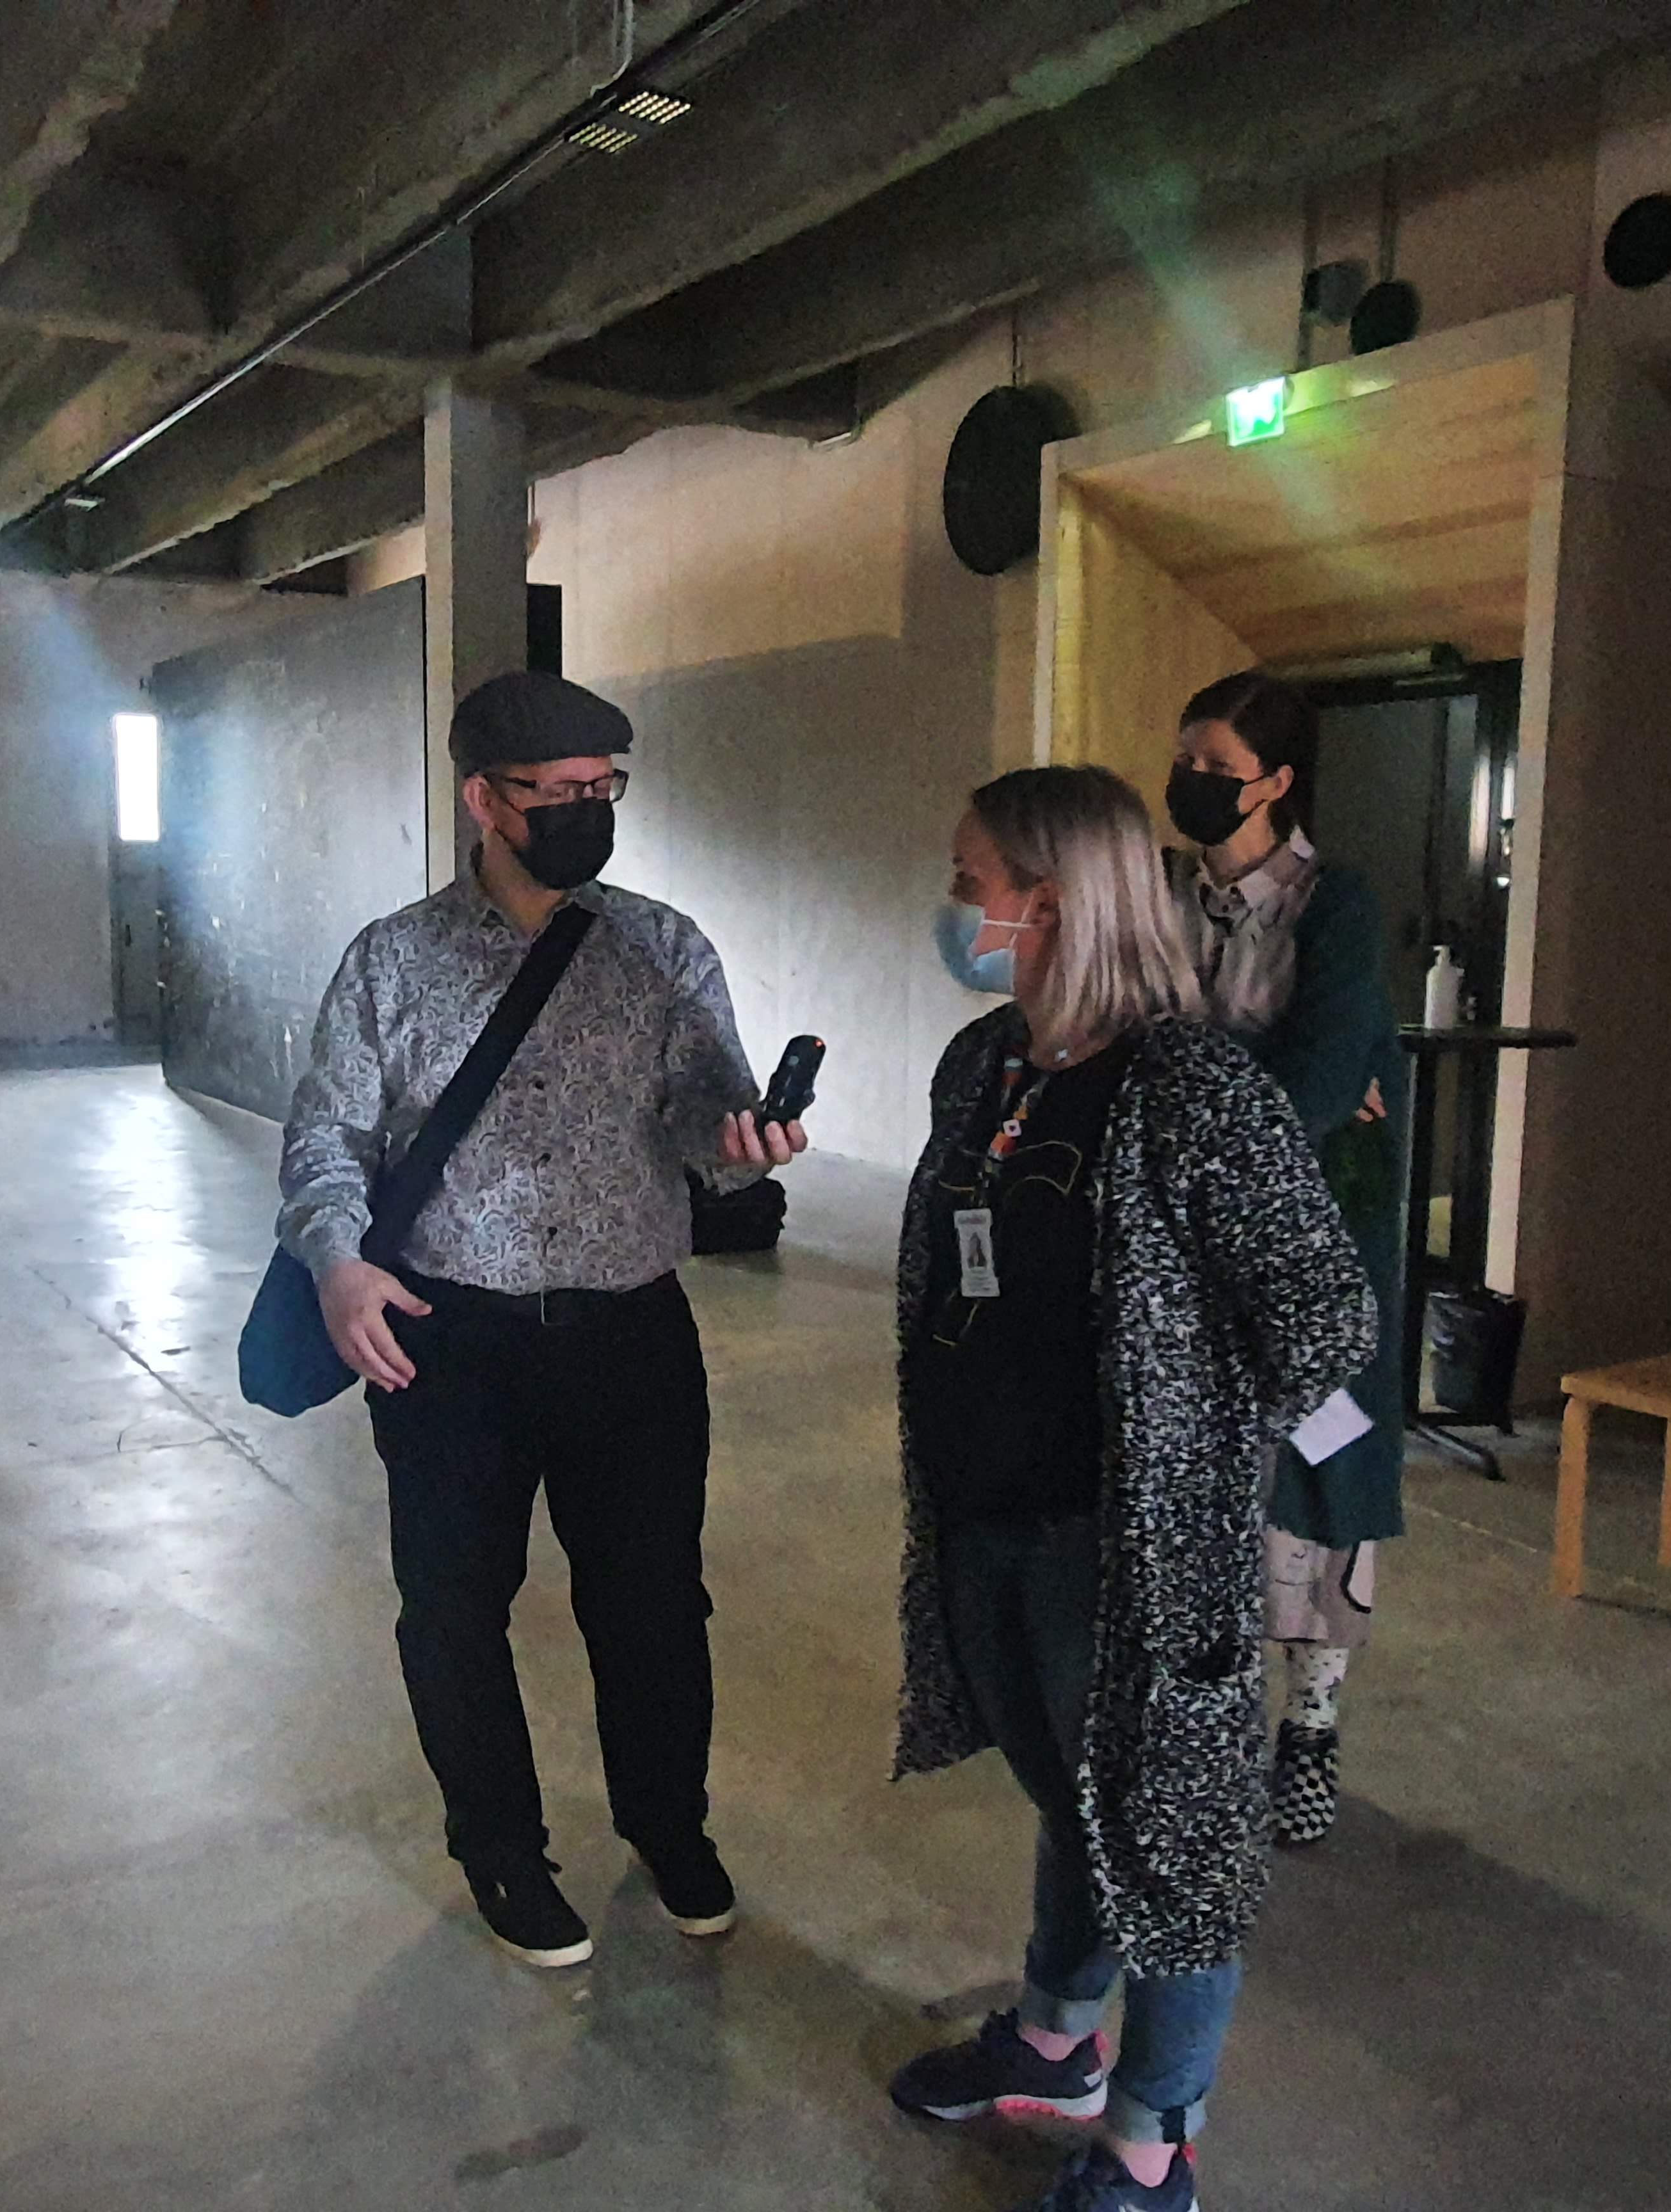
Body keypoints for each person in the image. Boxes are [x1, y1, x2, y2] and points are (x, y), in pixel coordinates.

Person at [889, 765, 1377, 2212]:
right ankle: (1056, 2042)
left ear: (1049, 901)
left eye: (972, 878)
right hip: (984, 1512)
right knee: (1074, 1793)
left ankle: (1156, 2140)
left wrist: (1207, 1455)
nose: (955, 902)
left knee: (1171, 1840)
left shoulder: (1193, 1089)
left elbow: (1323, 1318)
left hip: (1130, 1549)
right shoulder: (985, 1064)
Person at [276, 670, 804, 1969]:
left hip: (630, 1333)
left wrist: (745, 1143)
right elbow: (328, 1136)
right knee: (454, 1606)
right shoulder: (393, 960)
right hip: (446, 1334)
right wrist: (338, 1264)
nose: (588, 810)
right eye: (558, 791)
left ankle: (668, 1827)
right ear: (483, 799)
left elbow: (703, 1120)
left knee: (655, 1606)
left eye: (604, 788)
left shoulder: (661, 946)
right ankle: (501, 1850)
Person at [1165, 669, 1409, 1847]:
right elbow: (1135, 1046)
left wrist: (1207, 1088)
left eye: (1218, 768)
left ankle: (1310, 1728)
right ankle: (1200, 1720)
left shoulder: (1333, 903)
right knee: (1198, 1474)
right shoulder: (1166, 895)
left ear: (1277, 783)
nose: (1194, 783)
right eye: (1187, 762)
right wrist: (1262, 1083)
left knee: (1321, 1468)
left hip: (1314, 1241)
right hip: (1187, 1239)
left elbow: (1324, 1077)